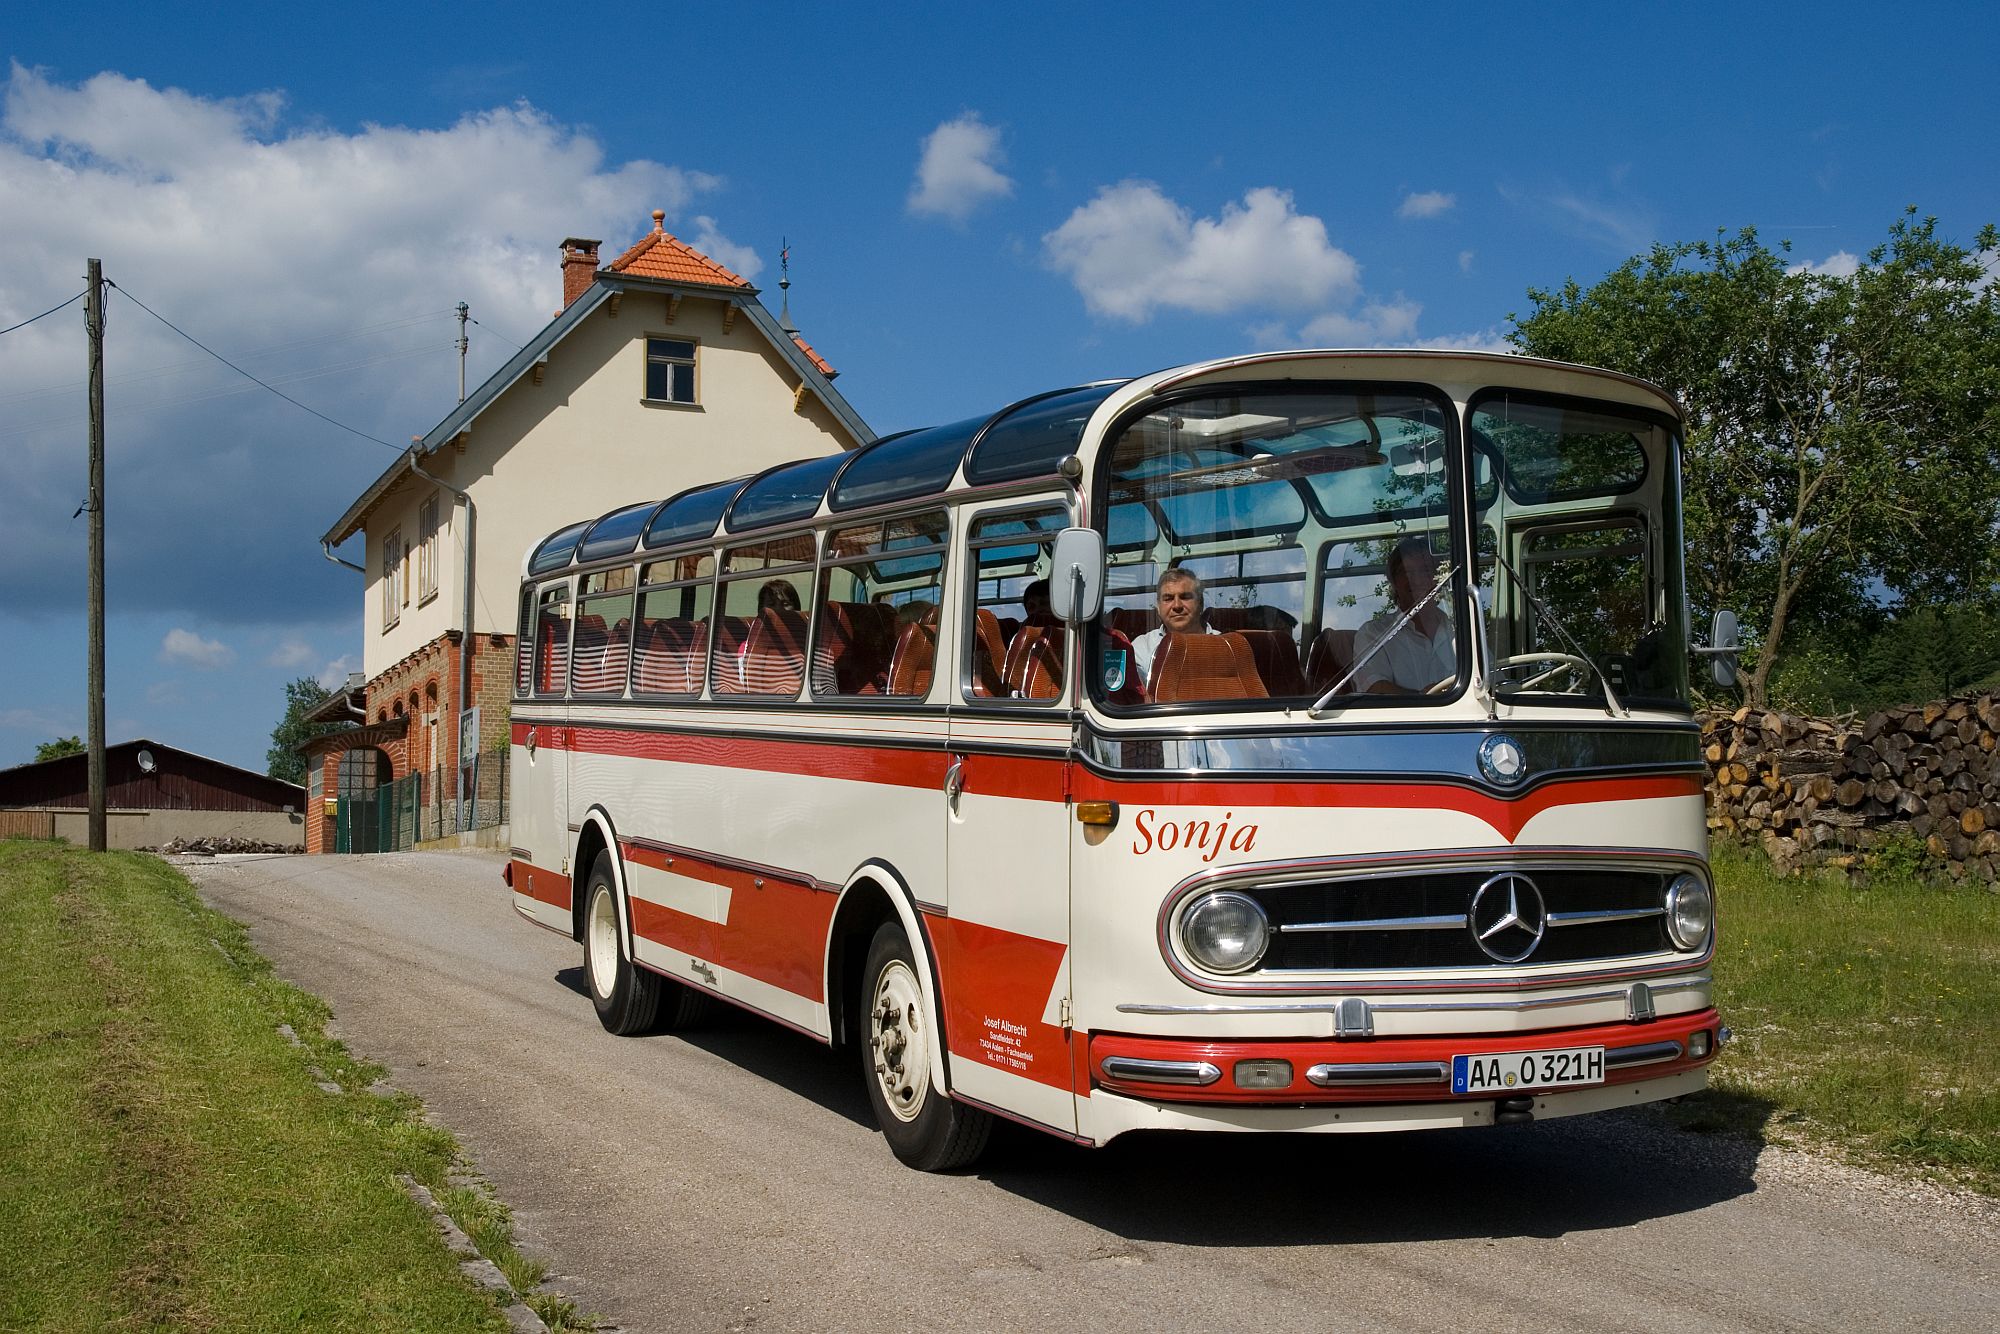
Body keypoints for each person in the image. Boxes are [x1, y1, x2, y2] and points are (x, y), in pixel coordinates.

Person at [1350, 536, 1456, 693]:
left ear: (1437, 578)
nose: (1416, 579)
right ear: (1393, 581)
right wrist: (1424, 699)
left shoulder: (1460, 630)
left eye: (1425, 570)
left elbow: (1491, 678)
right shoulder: (1374, 634)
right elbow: (1375, 688)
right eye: (1407, 572)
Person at [1130, 568, 1219, 690]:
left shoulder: (1225, 644)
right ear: (1159, 608)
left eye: (1185, 597)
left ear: (1200, 603)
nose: (1177, 605)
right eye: (1168, 599)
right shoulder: (1142, 648)